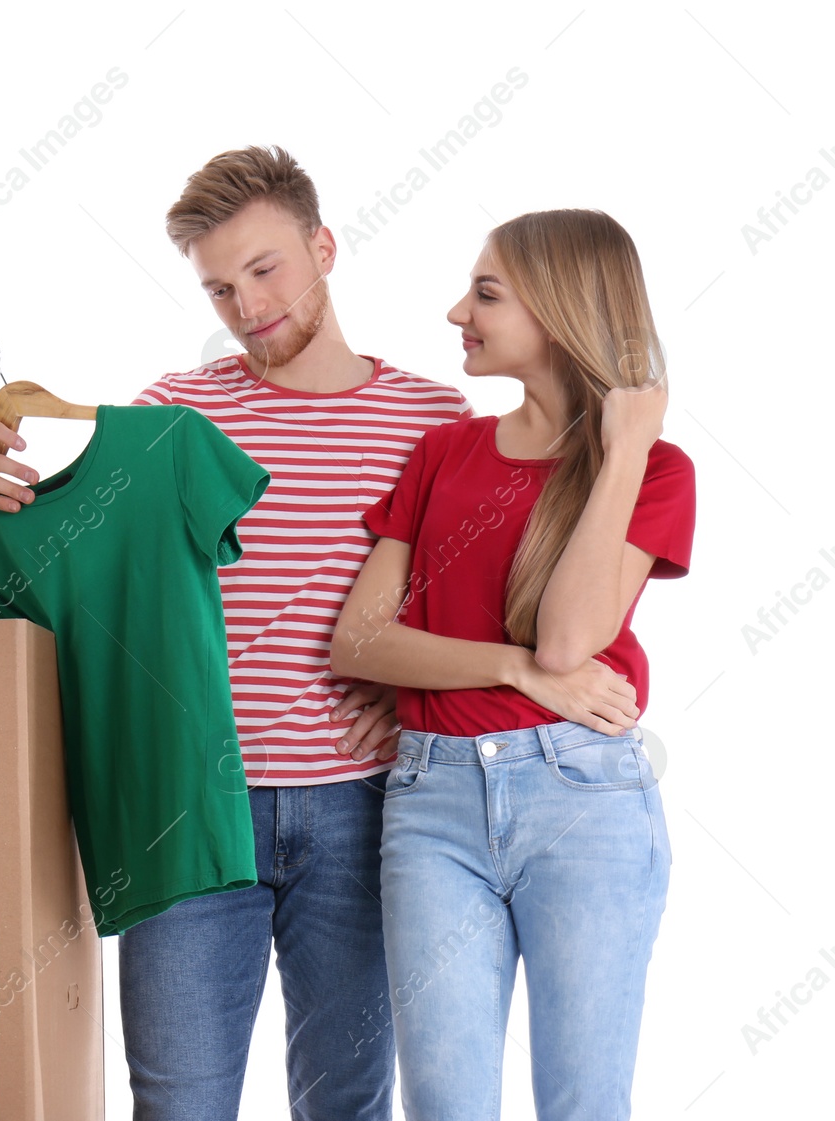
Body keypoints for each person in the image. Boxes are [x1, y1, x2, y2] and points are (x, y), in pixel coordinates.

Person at [0, 145, 470, 1120]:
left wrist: (406, 697)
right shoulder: (175, 412)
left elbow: (467, 608)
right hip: (182, 808)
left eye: (264, 268)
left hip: (363, 809)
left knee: (346, 1096)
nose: (247, 304)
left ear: (323, 247)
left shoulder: (430, 420)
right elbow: (69, 533)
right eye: (219, 287)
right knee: (178, 1101)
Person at [331, 209, 694, 1120]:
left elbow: (572, 642)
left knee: (583, 1106)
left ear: (561, 309)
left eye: (486, 293)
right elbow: (360, 642)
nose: (459, 310)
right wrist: (514, 669)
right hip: (431, 804)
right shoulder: (443, 451)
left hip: (583, 800)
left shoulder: (656, 472)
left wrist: (622, 450)